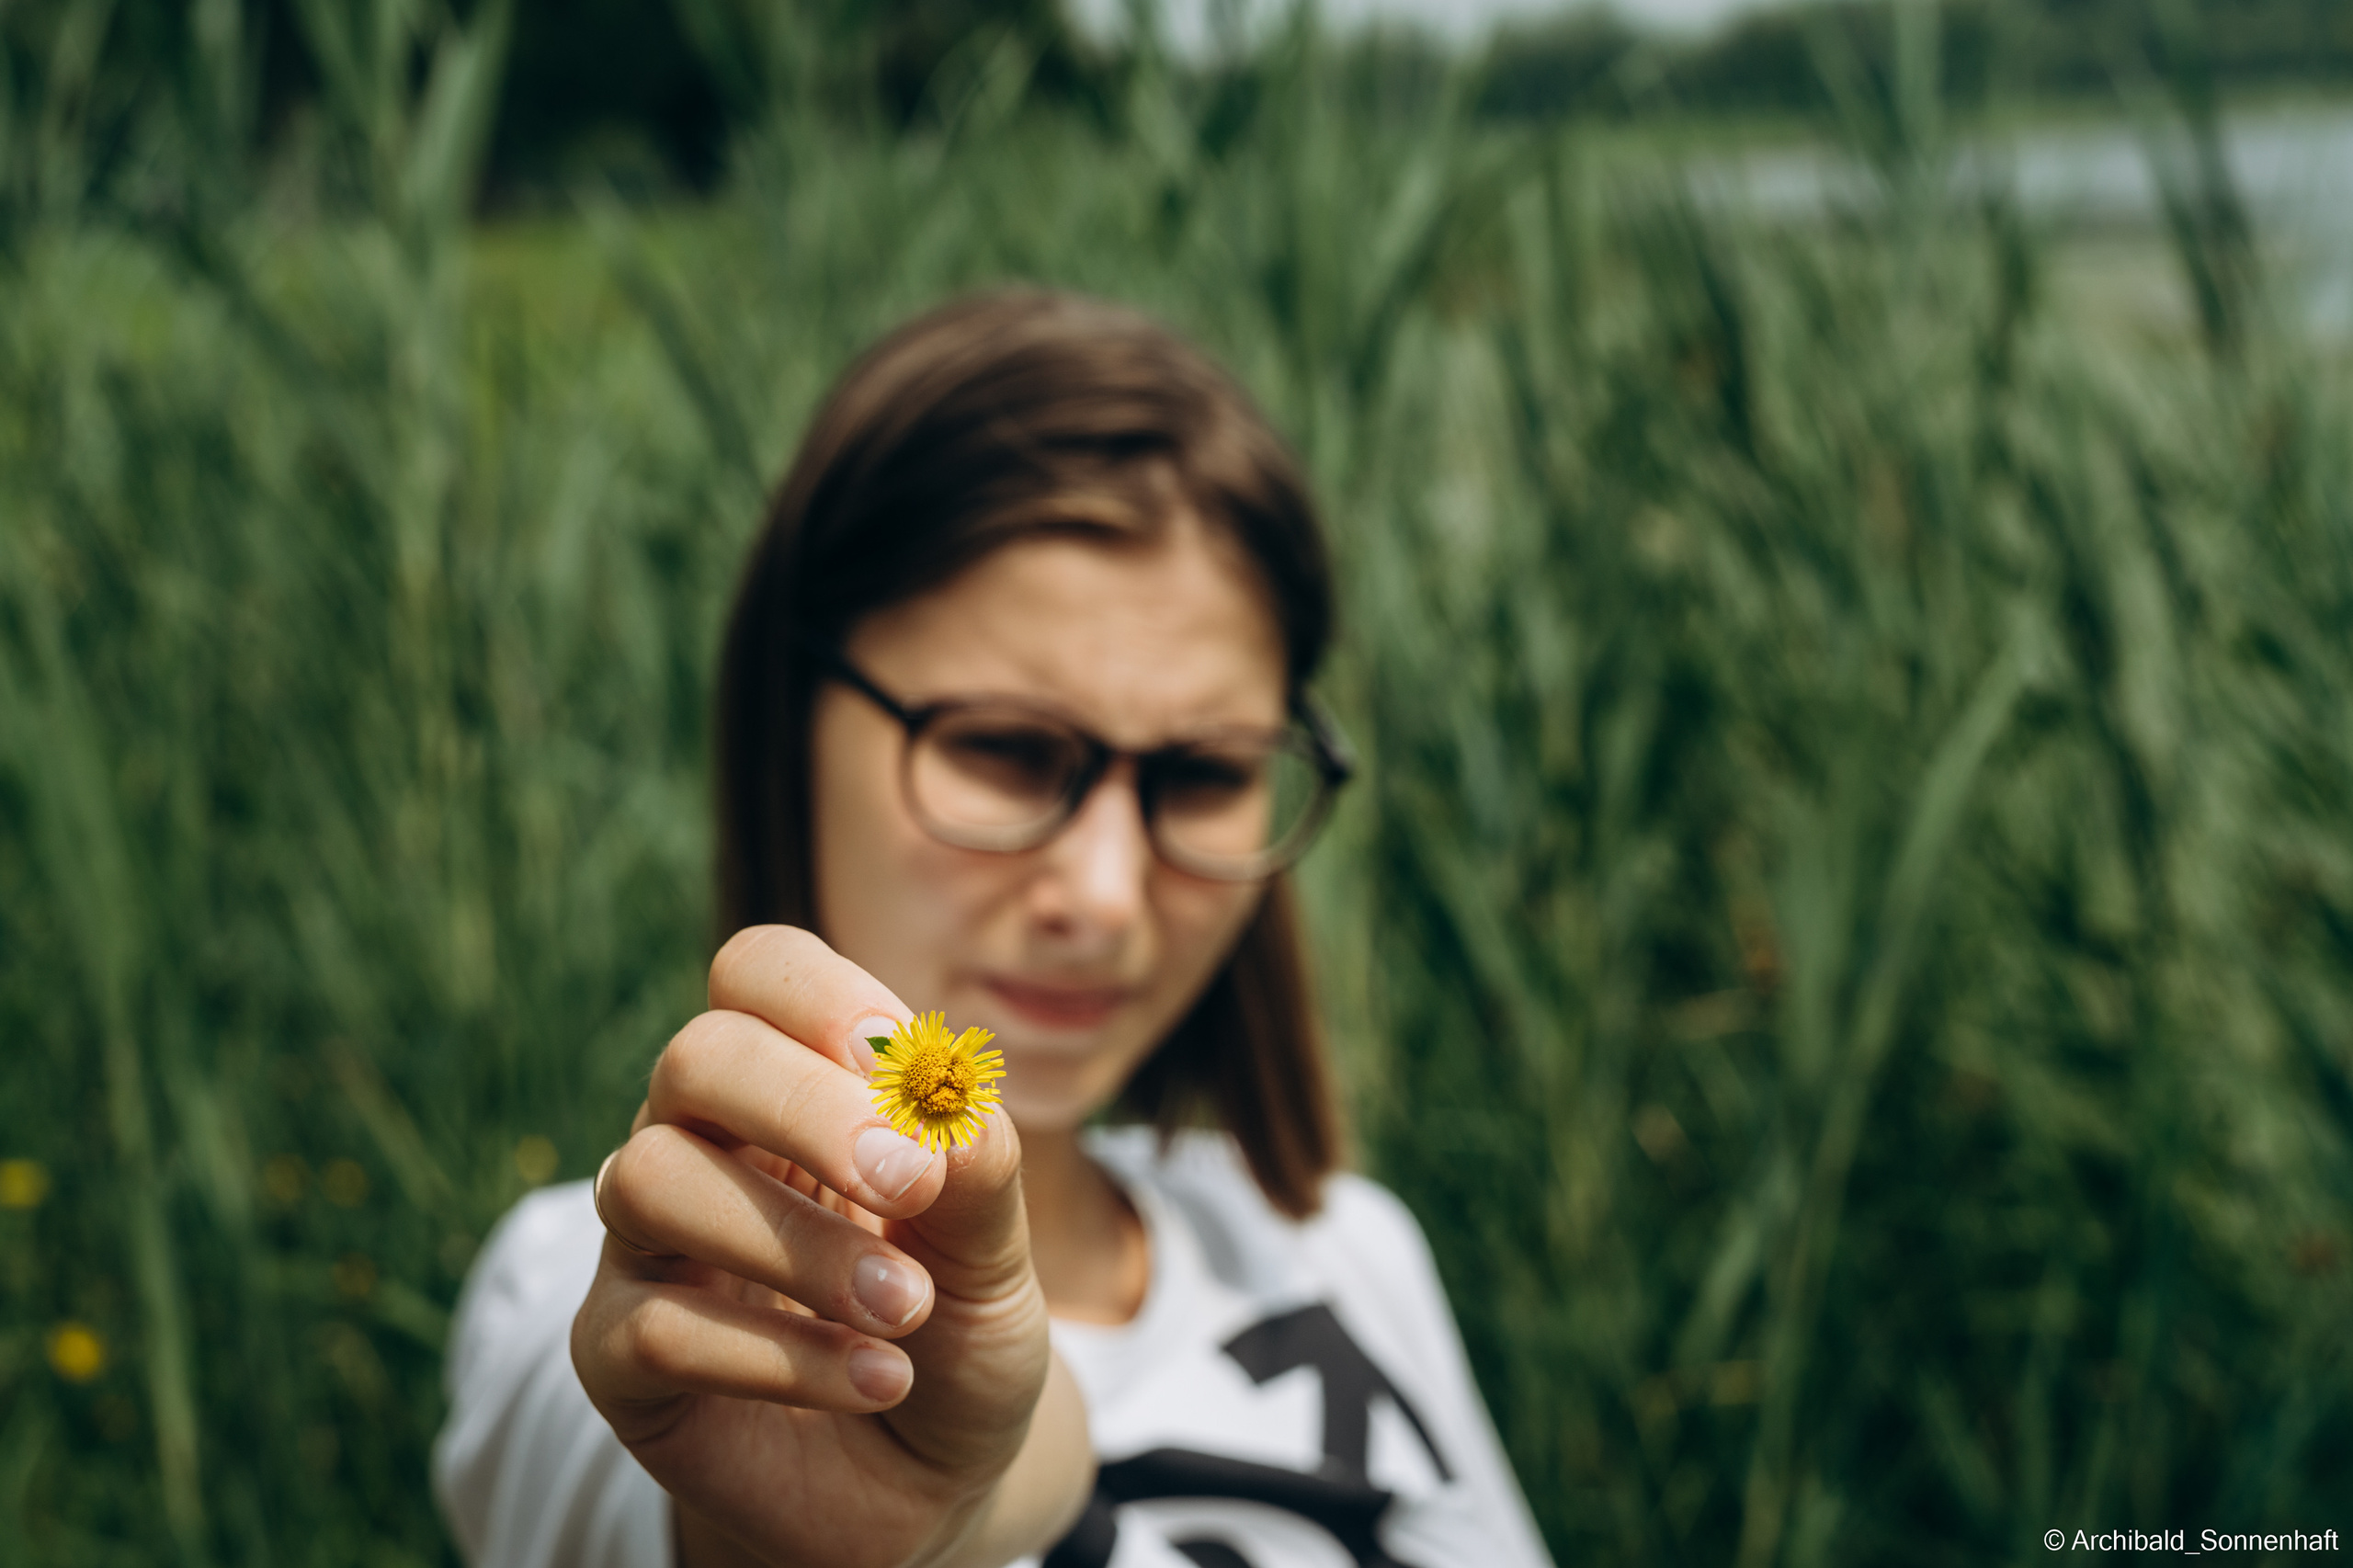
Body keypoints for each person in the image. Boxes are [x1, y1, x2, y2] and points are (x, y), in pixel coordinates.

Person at [432, 291, 1553, 1568]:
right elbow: (710, 1477)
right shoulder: (620, 1280)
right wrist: (930, 1500)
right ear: (791, 721)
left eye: (1203, 775)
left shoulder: (1349, 1251)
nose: (1109, 894)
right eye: (1010, 752)